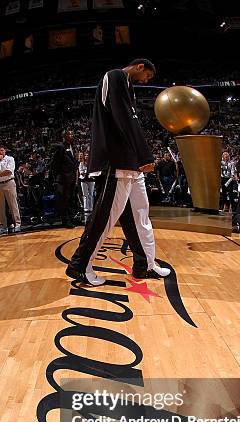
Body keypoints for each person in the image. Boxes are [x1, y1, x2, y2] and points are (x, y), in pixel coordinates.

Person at [66, 58, 170, 286]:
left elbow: (129, 120)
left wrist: (139, 156)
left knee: (140, 217)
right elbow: (124, 118)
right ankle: (80, 265)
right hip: (117, 163)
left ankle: (145, 265)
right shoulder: (114, 76)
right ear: (140, 67)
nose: (146, 80)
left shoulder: (127, 85)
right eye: (147, 76)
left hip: (131, 165)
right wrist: (145, 155)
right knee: (105, 218)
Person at [50, 130, 78, 228]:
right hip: (63, 179)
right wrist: (58, 178)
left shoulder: (72, 147)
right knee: (64, 200)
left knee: (70, 199)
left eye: (72, 134)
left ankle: (71, 218)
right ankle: (65, 221)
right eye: (70, 134)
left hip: (72, 178)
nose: (72, 135)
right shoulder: (60, 147)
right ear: (64, 136)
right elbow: (54, 164)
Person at [0, 145, 21, 234]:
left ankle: (17, 224)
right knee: (0, 207)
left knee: (13, 205)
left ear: (5, 151)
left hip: (9, 183)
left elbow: (9, 171)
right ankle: (3, 226)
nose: (0, 152)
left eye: (2, 150)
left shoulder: (10, 159)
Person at [78, 152, 95, 221]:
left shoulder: (92, 163)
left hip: (91, 180)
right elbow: (81, 171)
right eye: (85, 155)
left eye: (88, 155)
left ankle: (91, 207)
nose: (86, 156)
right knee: (85, 195)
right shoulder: (81, 163)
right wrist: (86, 172)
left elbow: (93, 171)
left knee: (91, 194)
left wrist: (87, 172)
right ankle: (86, 208)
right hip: (84, 180)